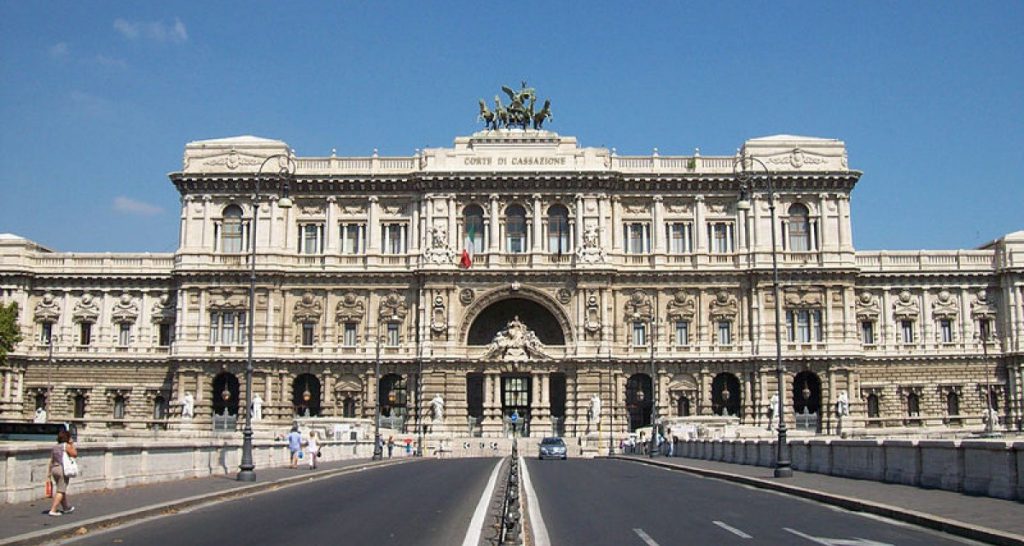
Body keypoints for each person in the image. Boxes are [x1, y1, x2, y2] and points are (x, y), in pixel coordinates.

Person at [48, 429, 76, 516]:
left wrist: (49, 473)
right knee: (61, 490)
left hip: (54, 468)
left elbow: (51, 460)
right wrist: (72, 444)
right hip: (62, 469)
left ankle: (66, 507)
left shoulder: (55, 447)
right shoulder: (66, 446)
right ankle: (53, 510)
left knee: (61, 488)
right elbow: (74, 454)